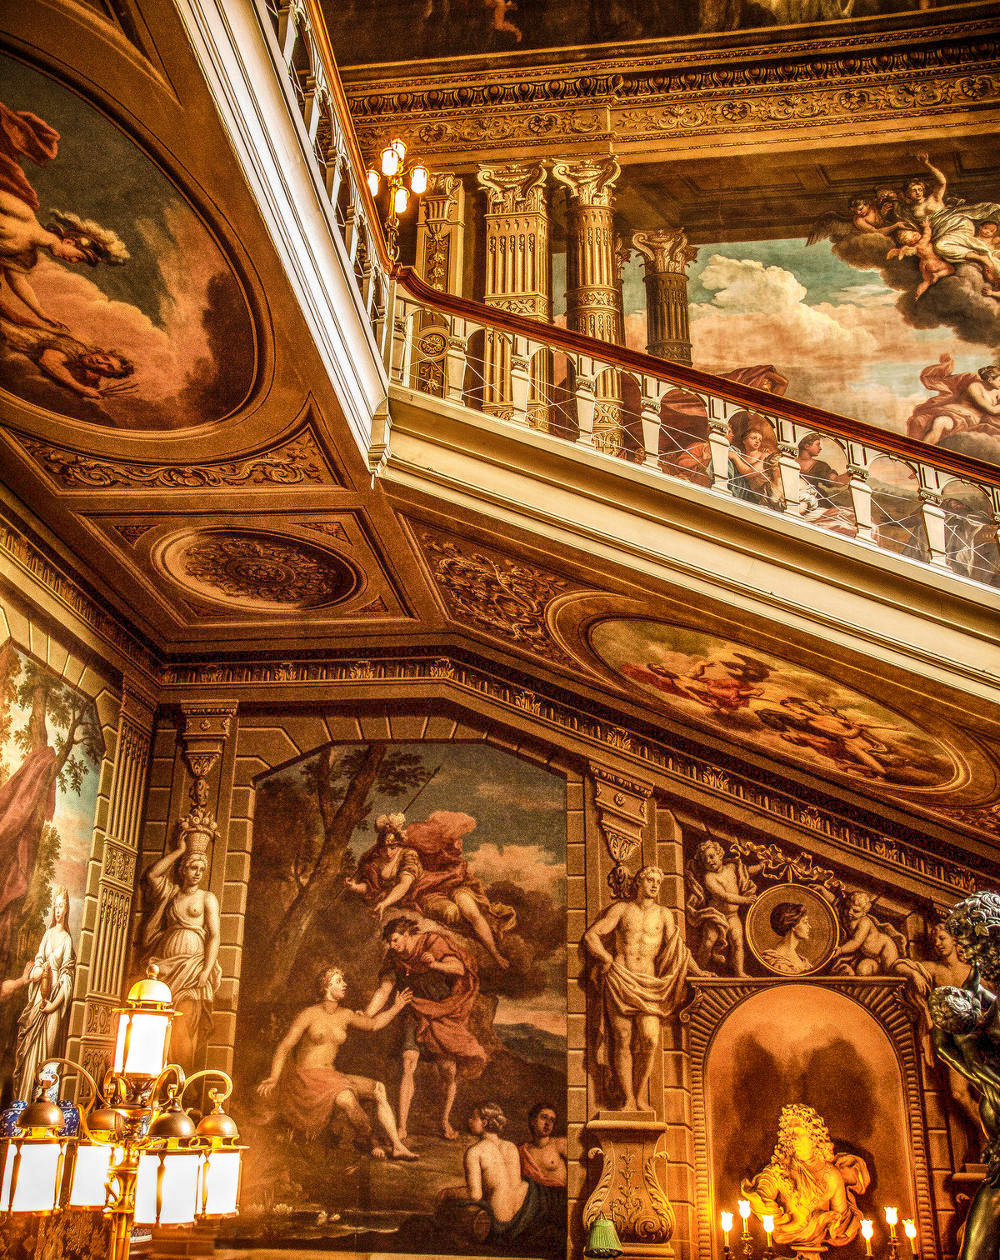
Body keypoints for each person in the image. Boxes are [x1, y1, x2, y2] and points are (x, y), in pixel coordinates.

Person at [257, 964, 416, 1159]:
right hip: (309, 1079)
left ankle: (398, 1146)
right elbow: (284, 1047)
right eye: (338, 981)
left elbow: (373, 1025)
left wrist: (396, 1007)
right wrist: (274, 1077)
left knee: (379, 1089)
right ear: (326, 986)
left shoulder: (346, 1014)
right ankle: (372, 1140)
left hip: (332, 1077)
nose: (344, 984)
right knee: (347, 1099)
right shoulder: (309, 1014)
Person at [583, 866, 699, 1110]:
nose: (655, 885)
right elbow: (591, 936)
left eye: (658, 881)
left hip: (649, 984)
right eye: (650, 880)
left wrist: (698, 973)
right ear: (638, 882)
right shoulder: (622, 910)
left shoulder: (664, 914)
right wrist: (605, 958)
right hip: (620, 979)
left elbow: (679, 951)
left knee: (650, 1039)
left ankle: (641, 1094)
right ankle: (629, 1099)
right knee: (622, 1038)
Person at [365, 917, 486, 1141]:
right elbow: (384, 989)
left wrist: (435, 964)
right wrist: (367, 1014)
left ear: (407, 934)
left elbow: (459, 968)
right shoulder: (394, 957)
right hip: (413, 1012)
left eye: (395, 940)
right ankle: (402, 1127)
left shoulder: (432, 942)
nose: (393, 945)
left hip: (441, 1014)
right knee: (408, 1062)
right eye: (390, 942)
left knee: (449, 1071)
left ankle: (444, 1121)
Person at [347, 811, 514, 969]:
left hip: (448, 883)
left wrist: (385, 903)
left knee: (470, 910)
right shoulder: (377, 863)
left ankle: (494, 953)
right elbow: (371, 887)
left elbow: (404, 884)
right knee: (451, 912)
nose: (388, 852)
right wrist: (354, 887)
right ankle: (472, 937)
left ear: (400, 844)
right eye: (384, 848)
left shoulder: (408, 855)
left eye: (393, 847)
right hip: (427, 893)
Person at [139, 831, 221, 1069]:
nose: (197, 873)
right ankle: (160, 1079)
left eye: (201, 869)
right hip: (166, 965)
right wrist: (179, 850)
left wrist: (206, 970)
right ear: (183, 869)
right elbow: (152, 875)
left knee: (184, 1022)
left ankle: (182, 1086)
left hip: (193, 967)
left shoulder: (207, 898)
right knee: (160, 1022)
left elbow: (214, 936)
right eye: (193, 867)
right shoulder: (171, 892)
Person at [741, 1102, 871, 1250]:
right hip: (788, 1235)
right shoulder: (779, 1169)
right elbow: (759, 1198)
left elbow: (839, 1223)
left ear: (814, 1136)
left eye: (798, 1132)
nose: (793, 1138)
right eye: (789, 1133)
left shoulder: (832, 1175)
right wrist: (782, 1220)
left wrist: (823, 1223)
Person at [444, 1103, 560, 1244]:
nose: (469, 1120)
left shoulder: (475, 1151)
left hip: (502, 1219)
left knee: (451, 1207)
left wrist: (447, 1193)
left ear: (484, 1123)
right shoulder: (511, 1146)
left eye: (473, 1117)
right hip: (528, 1209)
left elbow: (475, 1195)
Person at [7, 885, 75, 1099]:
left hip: (53, 1001)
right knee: (29, 1046)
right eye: (55, 906)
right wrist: (38, 971)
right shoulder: (48, 934)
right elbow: (37, 961)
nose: (57, 910)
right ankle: (23, 1098)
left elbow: (67, 976)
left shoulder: (67, 939)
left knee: (46, 1050)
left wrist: (53, 1005)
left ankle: (40, 1100)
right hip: (39, 995)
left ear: (66, 910)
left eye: (61, 906)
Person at [685, 838, 761, 976]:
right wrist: (745, 900)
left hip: (733, 916)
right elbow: (725, 896)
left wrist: (761, 866)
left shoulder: (732, 867)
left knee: (737, 941)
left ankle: (739, 972)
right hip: (716, 916)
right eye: (705, 860)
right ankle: (700, 970)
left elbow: (746, 872)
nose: (710, 861)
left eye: (712, 856)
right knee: (708, 943)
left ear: (720, 854)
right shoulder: (709, 878)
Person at [907, 358, 1000, 446]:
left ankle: (925, 454)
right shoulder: (975, 386)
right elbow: (991, 410)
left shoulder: (997, 391)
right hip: (955, 412)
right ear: (990, 379)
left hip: (970, 419)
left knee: (941, 423)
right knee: (939, 422)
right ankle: (921, 452)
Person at [518, 1102, 567, 1187]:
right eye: (544, 1118)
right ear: (533, 1121)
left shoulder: (560, 1144)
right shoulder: (523, 1151)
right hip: (534, 1198)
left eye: (552, 1120)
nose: (548, 1123)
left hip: (558, 1196)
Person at [759, 902, 814, 975]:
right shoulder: (774, 959)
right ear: (793, 926)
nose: (809, 927)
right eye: (805, 922)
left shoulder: (802, 960)